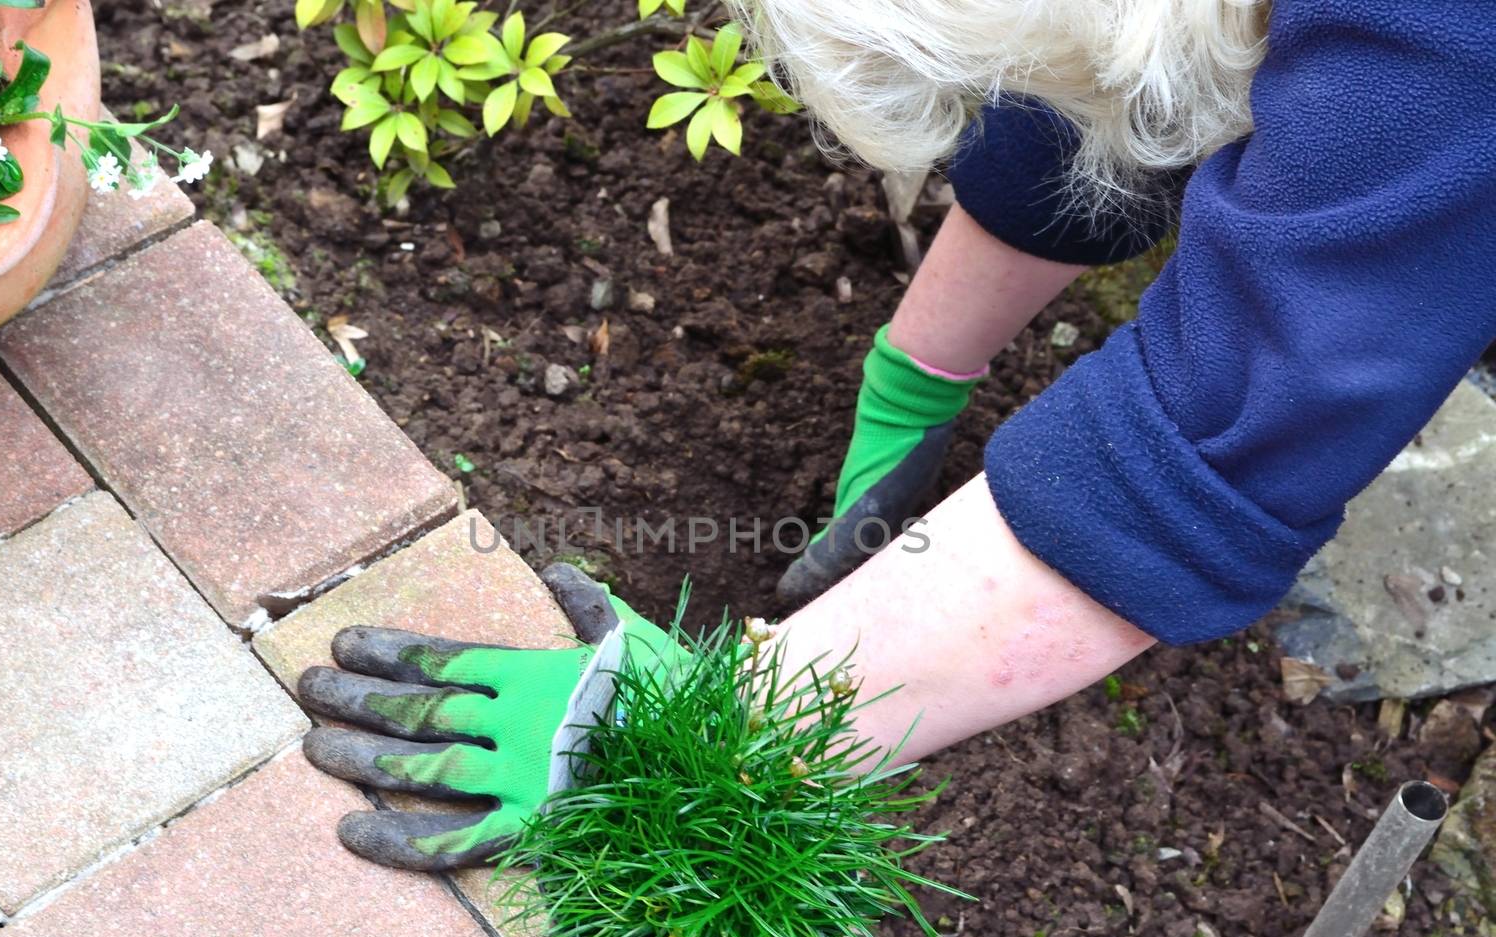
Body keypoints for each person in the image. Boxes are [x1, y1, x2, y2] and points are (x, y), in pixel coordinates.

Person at [298, 0, 1496, 870]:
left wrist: (722, 733)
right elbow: (1106, 84)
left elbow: (1227, 428)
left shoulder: (1438, 49)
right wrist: (915, 383)